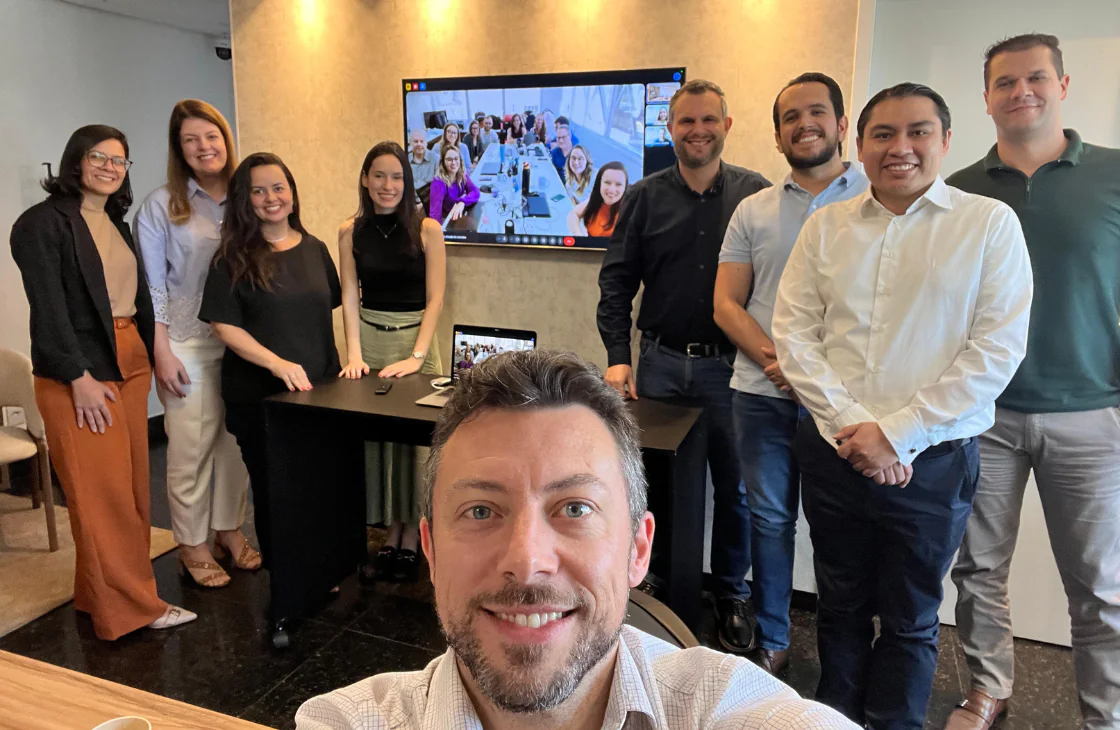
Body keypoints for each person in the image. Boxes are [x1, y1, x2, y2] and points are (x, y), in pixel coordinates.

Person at [294, 350, 859, 730]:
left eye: (575, 508)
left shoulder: (729, 709)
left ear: (639, 548)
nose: (527, 561)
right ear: (432, 552)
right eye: (481, 510)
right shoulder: (345, 720)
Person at [771, 82, 1033, 730]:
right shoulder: (825, 226)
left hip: (934, 462)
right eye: (883, 134)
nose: (900, 147)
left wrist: (896, 435)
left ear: (946, 140)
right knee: (839, 607)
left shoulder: (988, 224)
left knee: (912, 618)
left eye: (918, 131)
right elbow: (795, 334)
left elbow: (995, 351)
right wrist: (852, 429)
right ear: (858, 145)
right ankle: (833, 721)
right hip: (834, 453)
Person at [943, 34, 1120, 730]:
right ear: (986, 98)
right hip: (983, 415)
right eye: (1006, 82)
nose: (1022, 92)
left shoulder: (1112, 174)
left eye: (1036, 78)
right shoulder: (956, 191)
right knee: (978, 570)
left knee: (1100, 586)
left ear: (1062, 85)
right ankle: (990, 688)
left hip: (1091, 413)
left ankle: (1105, 714)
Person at [597, 79, 770, 655]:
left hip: (733, 370)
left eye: (708, 120)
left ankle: (731, 593)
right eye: (686, 121)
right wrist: (617, 358)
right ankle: (659, 584)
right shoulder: (644, 197)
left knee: (735, 488)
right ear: (669, 128)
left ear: (727, 125)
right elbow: (616, 282)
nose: (698, 131)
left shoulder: (755, 195)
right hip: (661, 366)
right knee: (655, 483)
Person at [9, 125, 196, 638]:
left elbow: (135, 299)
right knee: (103, 498)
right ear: (76, 160)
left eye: (119, 160)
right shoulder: (40, 224)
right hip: (81, 373)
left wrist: (153, 355)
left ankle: (98, 595)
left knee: (131, 493)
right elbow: (48, 308)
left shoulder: (114, 220)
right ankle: (135, 608)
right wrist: (78, 376)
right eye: (99, 157)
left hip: (129, 362)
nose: (110, 168)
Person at [712, 72, 868, 676]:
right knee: (770, 519)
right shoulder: (754, 210)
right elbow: (727, 304)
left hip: (847, 402)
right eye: (790, 118)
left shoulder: (879, 198)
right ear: (777, 137)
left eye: (816, 112)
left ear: (841, 123)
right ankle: (773, 639)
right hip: (762, 393)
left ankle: (845, 652)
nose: (804, 125)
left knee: (841, 526)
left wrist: (810, 375)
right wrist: (782, 363)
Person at [134, 99, 258, 590]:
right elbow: (151, 287)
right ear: (179, 149)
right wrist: (160, 350)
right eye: (191, 140)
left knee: (234, 446)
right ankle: (191, 543)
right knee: (190, 446)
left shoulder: (249, 198)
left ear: (225, 139)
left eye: (211, 136)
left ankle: (228, 528)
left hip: (244, 341)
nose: (204, 147)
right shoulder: (161, 206)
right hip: (187, 342)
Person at [198, 152, 342, 568]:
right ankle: (289, 579)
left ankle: (322, 569)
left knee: (319, 486)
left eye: (278, 188)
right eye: (258, 191)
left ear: (292, 194)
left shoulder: (315, 249)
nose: (270, 198)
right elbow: (224, 326)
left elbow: (326, 309)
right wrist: (276, 363)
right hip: (260, 397)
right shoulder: (231, 257)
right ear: (245, 201)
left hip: (319, 393)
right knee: (278, 491)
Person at [338, 141, 447, 583]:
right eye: (379, 175)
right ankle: (388, 532)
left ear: (408, 180)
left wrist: (417, 357)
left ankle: (412, 534)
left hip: (415, 343)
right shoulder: (349, 231)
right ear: (365, 180)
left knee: (413, 445)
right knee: (374, 442)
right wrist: (354, 353)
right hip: (368, 341)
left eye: (397, 176)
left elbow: (435, 297)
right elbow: (349, 295)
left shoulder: (428, 229)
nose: (388, 185)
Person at [567, 161, 628, 237]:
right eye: (607, 182)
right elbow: (573, 214)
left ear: (625, 187)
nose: (612, 190)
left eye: (618, 184)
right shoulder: (595, 199)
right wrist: (580, 237)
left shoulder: (629, 209)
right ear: (599, 183)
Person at [429, 146, 480, 224]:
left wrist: (462, 202)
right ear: (443, 162)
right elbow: (435, 215)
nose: (453, 162)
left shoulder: (462, 174)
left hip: (458, 215)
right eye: (449, 159)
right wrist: (441, 230)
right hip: (446, 220)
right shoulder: (438, 183)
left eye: (456, 159)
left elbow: (475, 191)